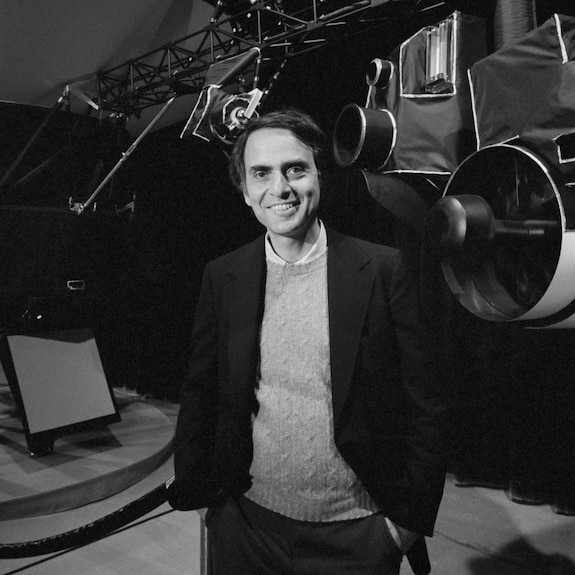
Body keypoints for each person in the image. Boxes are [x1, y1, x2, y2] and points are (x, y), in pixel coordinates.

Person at [166, 108, 447, 574]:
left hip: (357, 533)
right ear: (245, 191)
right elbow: (201, 393)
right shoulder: (223, 276)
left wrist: (403, 525)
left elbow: (427, 404)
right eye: (261, 174)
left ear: (319, 175)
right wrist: (202, 496)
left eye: (294, 169)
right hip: (245, 523)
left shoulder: (383, 269)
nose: (280, 188)